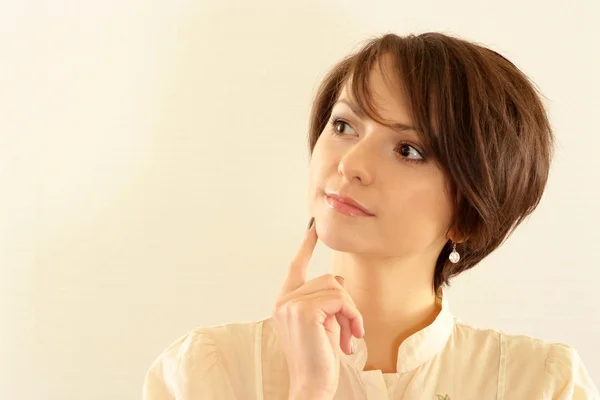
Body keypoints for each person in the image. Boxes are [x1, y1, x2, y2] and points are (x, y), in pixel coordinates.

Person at [142, 32, 599, 399]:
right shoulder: (207, 373)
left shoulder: (541, 384)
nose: (351, 164)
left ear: (470, 215)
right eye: (344, 126)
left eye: (408, 150)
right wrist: (309, 391)